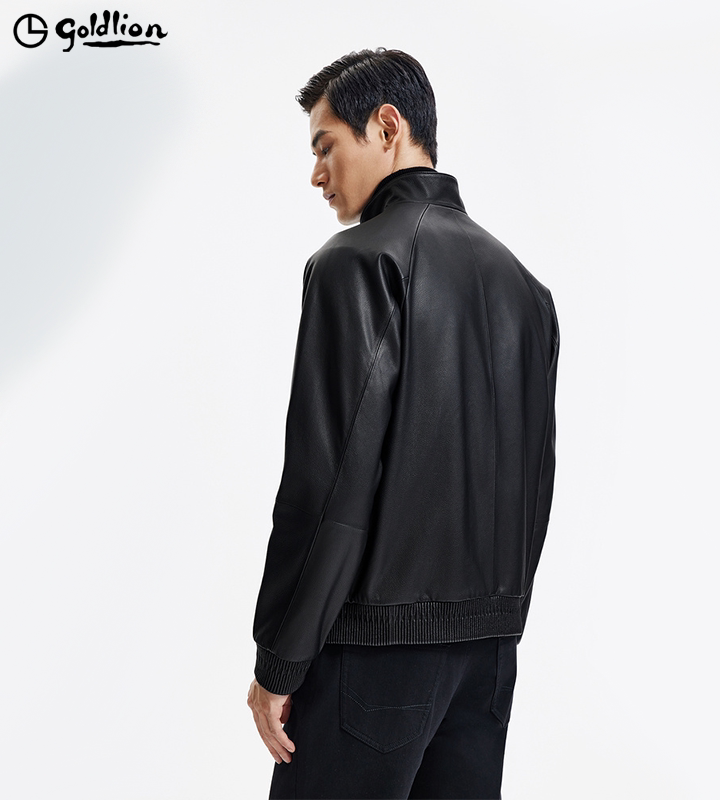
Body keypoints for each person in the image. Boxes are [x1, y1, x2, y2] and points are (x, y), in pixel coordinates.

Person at [247, 48, 559, 800]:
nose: (317, 174)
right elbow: (538, 480)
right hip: (488, 660)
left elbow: (328, 487)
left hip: (371, 661)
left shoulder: (355, 264)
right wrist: (500, 621)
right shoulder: (527, 289)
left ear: (387, 127)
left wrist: (279, 660)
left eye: (326, 146)